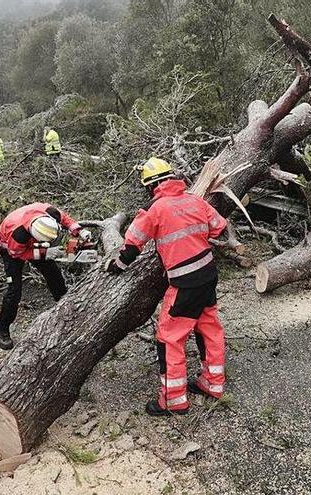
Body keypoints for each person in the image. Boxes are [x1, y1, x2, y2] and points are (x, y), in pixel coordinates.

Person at [105, 158, 227, 416]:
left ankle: (173, 400)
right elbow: (219, 228)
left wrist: (116, 266)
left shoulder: (154, 209)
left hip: (184, 283)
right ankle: (213, 383)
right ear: (172, 178)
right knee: (209, 328)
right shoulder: (196, 200)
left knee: (170, 338)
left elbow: (131, 247)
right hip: (208, 275)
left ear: (150, 186)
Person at [0, 202, 91, 349]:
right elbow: (17, 253)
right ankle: (3, 329)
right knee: (14, 291)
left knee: (54, 274)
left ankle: (67, 307)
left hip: (33, 239)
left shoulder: (49, 212)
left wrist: (78, 230)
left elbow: (64, 218)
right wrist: (45, 253)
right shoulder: (18, 234)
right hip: (11, 249)